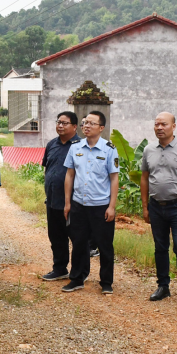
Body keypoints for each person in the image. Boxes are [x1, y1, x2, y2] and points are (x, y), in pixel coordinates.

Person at [140, 112, 177, 305]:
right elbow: (144, 178)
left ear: (173, 126)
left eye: (164, 124)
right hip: (156, 206)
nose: (159, 128)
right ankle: (163, 286)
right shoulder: (149, 150)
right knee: (160, 247)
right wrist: (145, 207)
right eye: (156, 124)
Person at [62, 111, 119, 295]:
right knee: (78, 243)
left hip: (101, 206)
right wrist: (67, 203)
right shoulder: (75, 147)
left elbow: (114, 179)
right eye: (85, 122)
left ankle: (106, 282)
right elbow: (70, 175)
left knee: (104, 245)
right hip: (79, 204)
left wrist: (112, 206)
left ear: (101, 128)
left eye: (91, 123)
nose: (86, 126)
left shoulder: (109, 149)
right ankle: (77, 279)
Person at [41, 112, 81, 281]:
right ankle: (59, 268)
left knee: (77, 238)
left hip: (73, 201)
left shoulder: (81, 146)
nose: (60, 125)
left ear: (74, 126)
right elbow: (47, 167)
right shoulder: (52, 144)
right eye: (58, 122)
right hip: (52, 200)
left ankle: (79, 272)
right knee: (56, 236)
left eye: (65, 123)